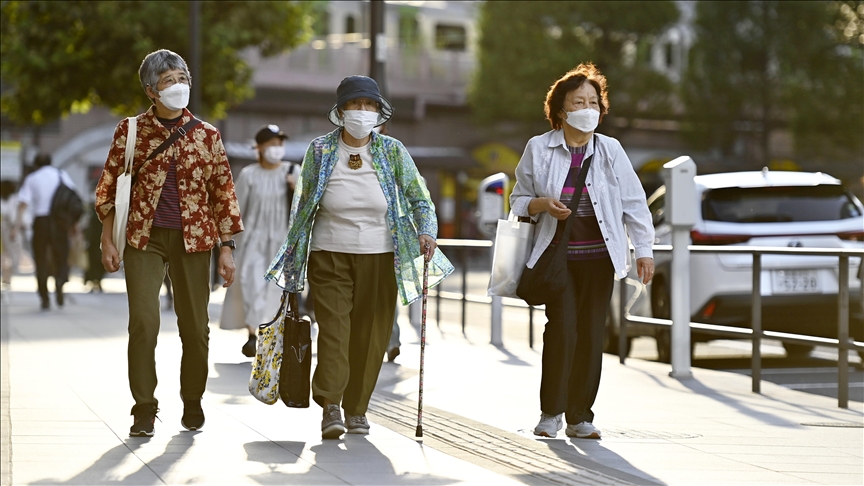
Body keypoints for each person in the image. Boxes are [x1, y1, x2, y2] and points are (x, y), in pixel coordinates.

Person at [266, 75, 453, 440]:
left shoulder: (392, 151)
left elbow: (419, 196)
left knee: (372, 334)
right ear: (340, 111)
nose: (362, 112)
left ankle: (357, 410)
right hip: (329, 253)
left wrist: (427, 229)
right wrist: (293, 257)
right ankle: (331, 404)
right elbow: (302, 205)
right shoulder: (320, 150)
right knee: (335, 328)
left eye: (369, 106)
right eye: (355, 105)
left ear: (379, 112)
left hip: (382, 254)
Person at [94, 49, 243, 438]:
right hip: (144, 237)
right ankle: (144, 406)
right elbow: (109, 185)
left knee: (195, 328)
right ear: (150, 91)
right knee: (143, 322)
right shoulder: (131, 132)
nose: (178, 87)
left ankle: (192, 399)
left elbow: (223, 192)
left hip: (196, 239)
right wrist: (107, 238)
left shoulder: (208, 134)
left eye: (182, 79)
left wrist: (227, 247)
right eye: (167, 81)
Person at [509, 63, 655, 440]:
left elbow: (634, 202)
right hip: (557, 257)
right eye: (579, 101)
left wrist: (644, 249)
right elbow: (518, 200)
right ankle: (551, 412)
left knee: (592, 334)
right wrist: (541, 204)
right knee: (563, 331)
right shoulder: (538, 148)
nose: (588, 107)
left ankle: (580, 417)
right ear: (561, 110)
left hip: (600, 258)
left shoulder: (611, 150)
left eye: (594, 101)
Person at [220, 124, 298, 357]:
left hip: (282, 242)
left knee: (275, 292)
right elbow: (236, 211)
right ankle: (253, 334)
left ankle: (269, 335)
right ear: (260, 148)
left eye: (279, 144)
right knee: (251, 284)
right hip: (252, 240)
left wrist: (296, 189)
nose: (276, 148)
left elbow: (305, 210)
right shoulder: (249, 175)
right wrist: (228, 244)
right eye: (271, 144)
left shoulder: (293, 171)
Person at [12, 153, 78, 310]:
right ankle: (60, 282)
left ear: (36, 164)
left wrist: (16, 227)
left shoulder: (32, 178)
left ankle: (44, 296)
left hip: (41, 222)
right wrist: (73, 224)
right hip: (60, 221)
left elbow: (23, 204)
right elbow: (72, 198)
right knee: (61, 255)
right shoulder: (62, 174)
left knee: (40, 258)